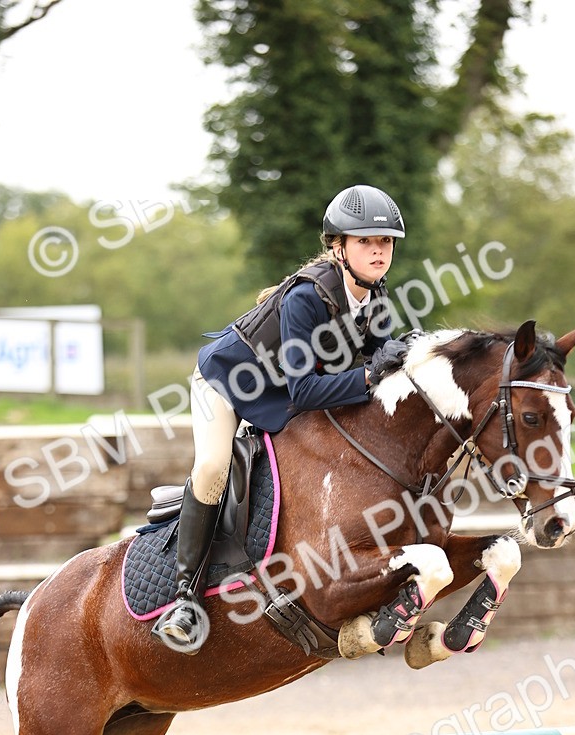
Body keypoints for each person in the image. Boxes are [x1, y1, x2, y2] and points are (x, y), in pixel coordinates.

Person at [153, 183, 406, 653]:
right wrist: (373, 372)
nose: (378, 251)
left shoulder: (377, 299)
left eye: (385, 241)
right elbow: (308, 389)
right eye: (366, 241)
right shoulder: (305, 298)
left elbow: (374, 370)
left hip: (281, 396)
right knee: (212, 466)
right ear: (338, 246)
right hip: (226, 384)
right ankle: (183, 597)